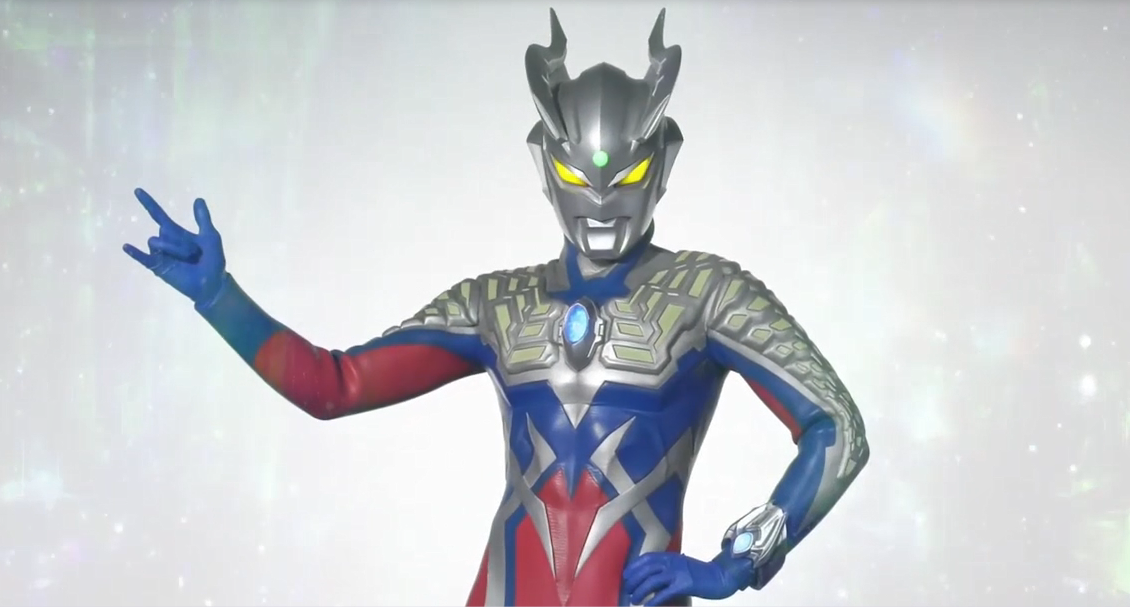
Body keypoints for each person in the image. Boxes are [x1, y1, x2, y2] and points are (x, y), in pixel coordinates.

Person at [123, 9, 869, 606]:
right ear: (546, 166)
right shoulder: (499, 304)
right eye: (577, 177)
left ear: (662, 164)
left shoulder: (705, 293)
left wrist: (736, 563)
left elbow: (836, 427)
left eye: (625, 176)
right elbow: (334, 385)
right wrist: (220, 298)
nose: (600, 200)